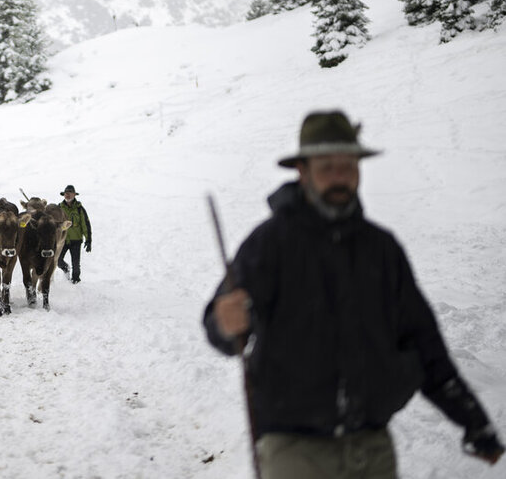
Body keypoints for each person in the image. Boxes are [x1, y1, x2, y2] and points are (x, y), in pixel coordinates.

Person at [202, 110, 503, 478]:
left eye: (347, 166)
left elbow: (425, 344)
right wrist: (224, 321)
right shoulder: (269, 244)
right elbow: (220, 328)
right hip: (293, 447)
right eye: (327, 167)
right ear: (303, 171)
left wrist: (473, 421)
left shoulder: (382, 249)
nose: (339, 177)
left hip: (371, 446)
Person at [56, 184, 92, 283]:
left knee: (76, 265)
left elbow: (85, 224)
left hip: (76, 240)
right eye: (66, 193)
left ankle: (75, 282)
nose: (67, 195)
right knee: (58, 260)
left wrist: (88, 240)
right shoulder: (59, 208)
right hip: (62, 240)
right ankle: (65, 268)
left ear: (74, 195)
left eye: (70, 193)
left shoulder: (79, 208)